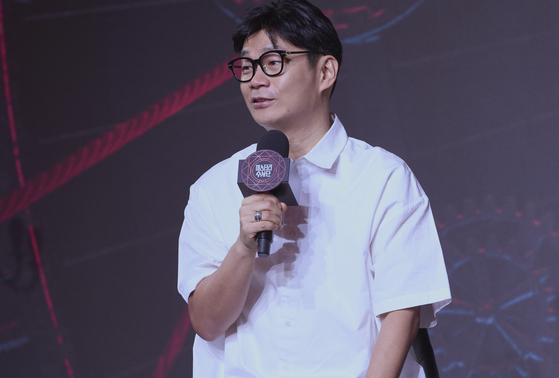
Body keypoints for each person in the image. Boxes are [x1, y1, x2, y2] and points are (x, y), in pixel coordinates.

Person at [178, 0, 451, 377]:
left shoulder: (382, 178)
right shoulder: (213, 187)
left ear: (325, 71)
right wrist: (244, 246)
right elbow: (206, 323)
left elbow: (402, 311)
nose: (255, 80)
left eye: (273, 63)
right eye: (245, 66)